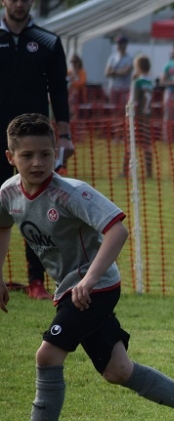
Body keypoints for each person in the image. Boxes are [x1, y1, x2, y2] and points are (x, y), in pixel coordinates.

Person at [0, 113, 174, 421]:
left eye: (46, 154)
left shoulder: (70, 192)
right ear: (10, 157)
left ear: (55, 152)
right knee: (118, 370)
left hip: (97, 288)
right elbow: (3, 225)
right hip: (71, 289)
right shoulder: (9, 192)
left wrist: (89, 279)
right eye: (27, 155)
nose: (37, 163)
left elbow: (117, 231)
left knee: (47, 356)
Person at [1, 0, 75, 301]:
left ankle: (36, 281)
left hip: (33, 144)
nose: (19, 4)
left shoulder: (48, 42)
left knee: (36, 211)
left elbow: (59, 88)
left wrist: (65, 136)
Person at [122, 54, 154, 179]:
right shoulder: (150, 83)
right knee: (147, 144)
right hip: (146, 116)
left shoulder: (138, 82)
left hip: (136, 116)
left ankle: (125, 171)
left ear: (138, 67)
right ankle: (149, 171)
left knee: (130, 143)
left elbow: (133, 101)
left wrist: (129, 115)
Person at [104, 35, 133, 109]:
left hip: (124, 89)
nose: (118, 45)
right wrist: (119, 71)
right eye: (117, 43)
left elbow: (125, 72)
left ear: (125, 44)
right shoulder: (112, 57)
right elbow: (107, 73)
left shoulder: (129, 58)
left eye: (120, 43)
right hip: (113, 88)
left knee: (123, 109)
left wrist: (113, 72)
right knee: (113, 109)